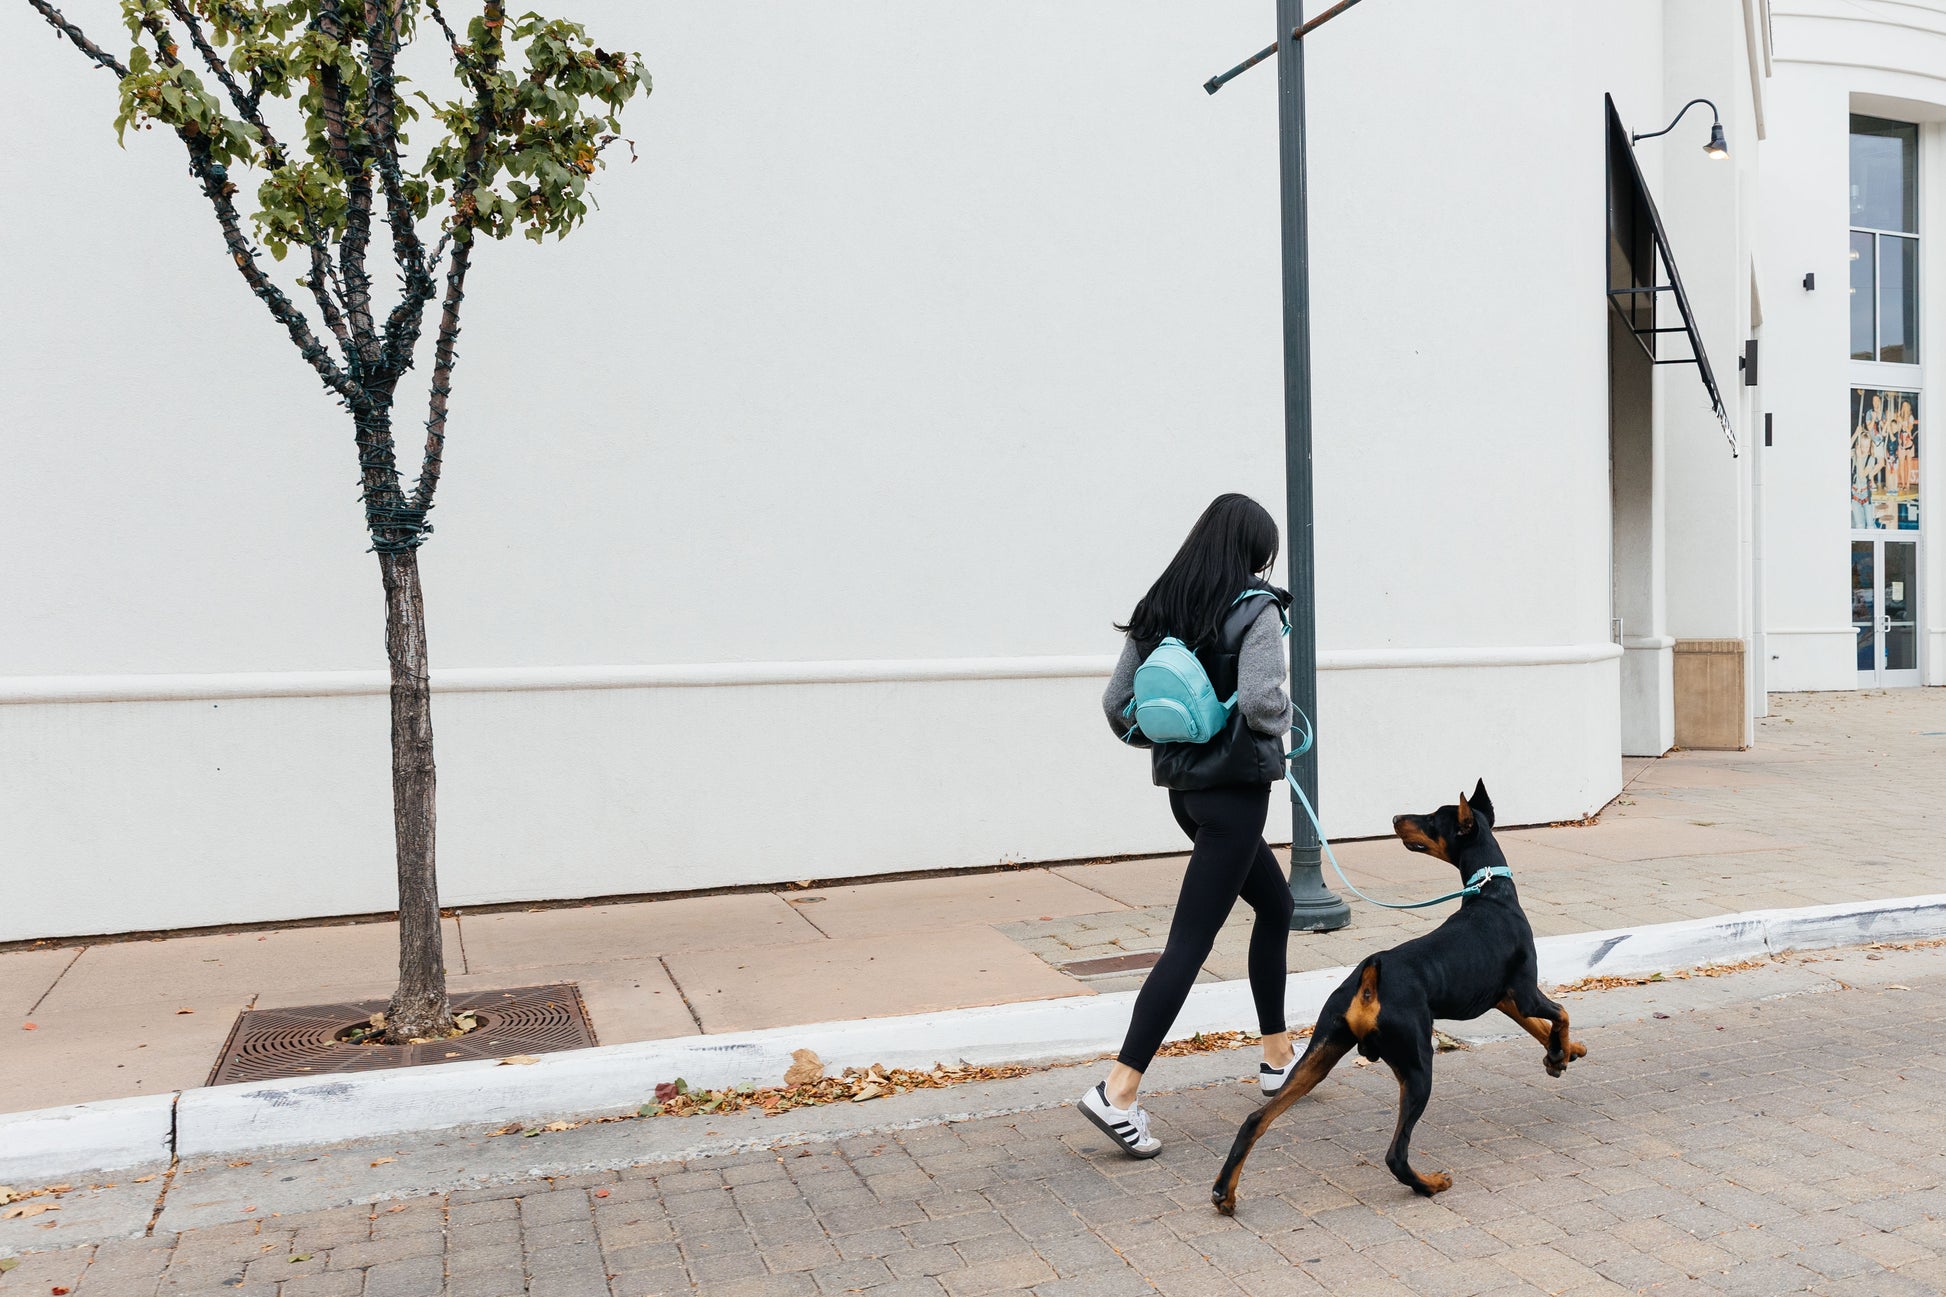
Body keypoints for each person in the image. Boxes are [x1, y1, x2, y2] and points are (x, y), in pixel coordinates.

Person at [1077, 493, 1299, 1158]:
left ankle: (1277, 1056)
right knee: (1189, 944)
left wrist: (1180, 730)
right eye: (1262, 556)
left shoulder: (1160, 605)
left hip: (1186, 795)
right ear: (1251, 551)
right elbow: (1260, 701)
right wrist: (1285, 721)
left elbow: (1117, 706)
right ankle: (1118, 1091)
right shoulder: (1257, 609)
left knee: (1277, 905)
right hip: (1236, 796)